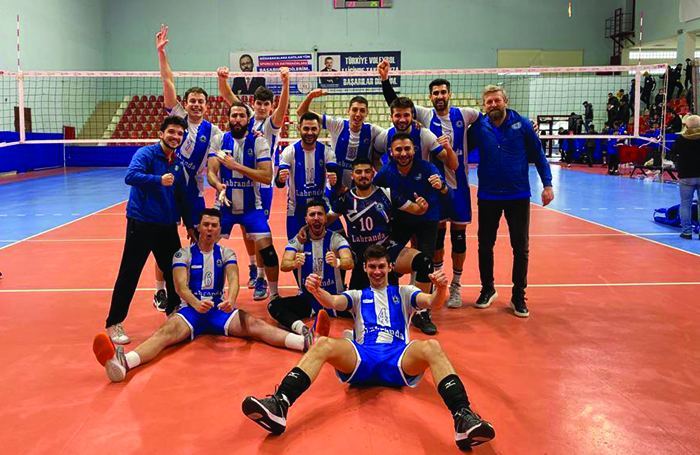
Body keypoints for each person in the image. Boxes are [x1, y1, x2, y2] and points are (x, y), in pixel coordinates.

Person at [242, 244, 496, 450]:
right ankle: (280, 404)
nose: (377, 271)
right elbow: (333, 301)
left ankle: (463, 417)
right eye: (372, 266)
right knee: (324, 345)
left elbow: (433, 302)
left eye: (381, 266)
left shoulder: (405, 292)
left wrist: (440, 288)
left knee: (432, 346)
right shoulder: (356, 295)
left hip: (398, 357)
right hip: (363, 357)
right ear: (365, 268)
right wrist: (316, 290)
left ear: (390, 267)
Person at [92, 208, 318, 383]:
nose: (210, 229)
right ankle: (124, 363)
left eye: (214, 226)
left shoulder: (227, 253)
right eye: (206, 225)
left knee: (254, 325)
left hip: (219, 310)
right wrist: (195, 303)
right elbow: (180, 286)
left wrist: (231, 300)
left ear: (219, 229)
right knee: (165, 333)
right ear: (198, 227)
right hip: (191, 311)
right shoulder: (182, 254)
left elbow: (234, 279)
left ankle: (304, 343)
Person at [378, 60, 479, 309]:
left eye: (443, 92)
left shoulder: (465, 114)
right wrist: (385, 80)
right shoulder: (423, 115)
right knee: (432, 243)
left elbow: (488, 120)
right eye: (436, 93)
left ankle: (454, 286)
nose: (440, 96)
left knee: (458, 238)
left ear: (450, 94)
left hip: (453, 187)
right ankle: (428, 285)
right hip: (425, 192)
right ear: (430, 96)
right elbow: (396, 104)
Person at [152, 24, 223, 312]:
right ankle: (160, 290)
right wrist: (162, 53)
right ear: (186, 103)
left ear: (206, 106)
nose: (195, 105)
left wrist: (217, 184)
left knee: (197, 236)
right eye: (192, 101)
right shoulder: (178, 118)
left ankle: (198, 285)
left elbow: (215, 163)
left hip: (194, 190)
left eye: (200, 102)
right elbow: (168, 82)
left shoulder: (214, 131)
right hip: (170, 186)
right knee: (165, 239)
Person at [467, 85, 554, 318]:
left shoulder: (523, 124)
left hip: (518, 195)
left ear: (505, 101)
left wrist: (547, 185)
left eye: (497, 100)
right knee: (485, 245)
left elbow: (539, 155)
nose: (493, 105)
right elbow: (460, 146)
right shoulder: (478, 127)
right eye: (489, 102)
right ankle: (487, 289)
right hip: (488, 195)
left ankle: (518, 295)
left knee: (521, 247)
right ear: (484, 105)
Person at [104, 115, 192, 344]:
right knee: (130, 273)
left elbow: (181, 196)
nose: (175, 136)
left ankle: (173, 313)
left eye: (179, 133)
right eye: (171, 132)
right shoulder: (146, 153)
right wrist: (158, 180)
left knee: (174, 271)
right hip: (141, 223)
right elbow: (130, 176)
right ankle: (114, 323)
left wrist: (190, 224)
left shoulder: (178, 162)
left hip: (167, 225)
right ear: (161, 134)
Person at [218, 66, 291, 294]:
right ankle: (252, 266)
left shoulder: (271, 124)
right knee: (244, 227)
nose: (261, 107)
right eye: (258, 103)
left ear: (270, 106)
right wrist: (222, 78)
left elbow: (283, 108)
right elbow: (228, 96)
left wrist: (285, 83)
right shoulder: (246, 118)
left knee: (259, 232)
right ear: (254, 104)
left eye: (266, 104)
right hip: (239, 181)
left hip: (262, 184)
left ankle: (261, 277)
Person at [374, 133, 450, 334]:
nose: (403, 153)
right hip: (400, 221)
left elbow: (446, 192)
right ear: (391, 152)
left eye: (407, 149)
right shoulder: (386, 171)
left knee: (426, 262)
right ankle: (392, 304)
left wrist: (441, 186)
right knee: (388, 259)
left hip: (427, 219)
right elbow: (372, 192)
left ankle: (421, 312)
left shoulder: (427, 168)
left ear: (414, 150)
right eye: (398, 149)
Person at [207, 101, 281, 301]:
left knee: (268, 251)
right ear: (228, 119)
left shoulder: (259, 142)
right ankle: (208, 291)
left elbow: (266, 176)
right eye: (234, 115)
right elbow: (211, 172)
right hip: (224, 206)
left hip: (251, 208)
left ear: (248, 119)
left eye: (241, 116)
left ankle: (272, 294)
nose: (237, 119)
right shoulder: (219, 140)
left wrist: (236, 166)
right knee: (204, 246)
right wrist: (218, 185)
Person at [330, 158, 433, 293]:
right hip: (362, 257)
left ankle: (420, 305)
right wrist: (305, 229)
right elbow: (324, 219)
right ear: (352, 175)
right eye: (359, 172)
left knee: (424, 262)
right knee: (356, 303)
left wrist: (422, 206)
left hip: (387, 251)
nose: (363, 175)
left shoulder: (386, 194)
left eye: (367, 171)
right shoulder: (345, 199)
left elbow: (416, 209)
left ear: (373, 174)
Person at [267, 200, 354, 334]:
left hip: (335, 299)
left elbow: (349, 262)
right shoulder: (298, 240)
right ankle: (303, 330)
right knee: (274, 305)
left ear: (326, 218)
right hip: (308, 300)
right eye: (312, 215)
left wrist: (337, 262)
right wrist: (294, 263)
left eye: (320, 214)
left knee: (364, 304)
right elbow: (284, 264)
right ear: (306, 219)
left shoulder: (336, 239)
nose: (316, 218)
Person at [296, 89, 384, 188]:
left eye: (362, 111)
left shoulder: (373, 130)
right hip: (336, 184)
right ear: (348, 111)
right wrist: (310, 96)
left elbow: (391, 136)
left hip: (360, 186)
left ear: (367, 113)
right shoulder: (337, 124)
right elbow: (301, 112)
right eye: (354, 110)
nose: (358, 114)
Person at [276, 112, 339, 240]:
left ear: (319, 129)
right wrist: (281, 179)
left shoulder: (327, 152)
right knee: (296, 247)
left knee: (339, 240)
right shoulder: (290, 151)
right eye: (306, 128)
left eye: (314, 129)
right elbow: (279, 183)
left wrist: (334, 180)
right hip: (296, 209)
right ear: (299, 128)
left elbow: (334, 176)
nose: (310, 133)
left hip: (321, 207)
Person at [670, 114, 700, 239]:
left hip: (686, 175)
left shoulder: (681, 139)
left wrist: (679, 162)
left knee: (685, 204)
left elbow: (672, 154)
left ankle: (687, 231)